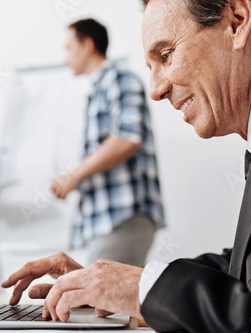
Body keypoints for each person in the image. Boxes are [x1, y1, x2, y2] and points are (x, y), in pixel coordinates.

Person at [1, 0, 251, 331]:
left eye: (166, 55)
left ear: (237, 21)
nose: (156, 89)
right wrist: (117, 286)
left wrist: (142, 290)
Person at [51, 19, 165, 267]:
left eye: (69, 48)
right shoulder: (99, 90)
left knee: (105, 303)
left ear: (88, 45)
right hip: (107, 220)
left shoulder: (119, 80)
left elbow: (128, 137)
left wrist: (75, 176)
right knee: (104, 302)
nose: (65, 57)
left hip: (123, 216)